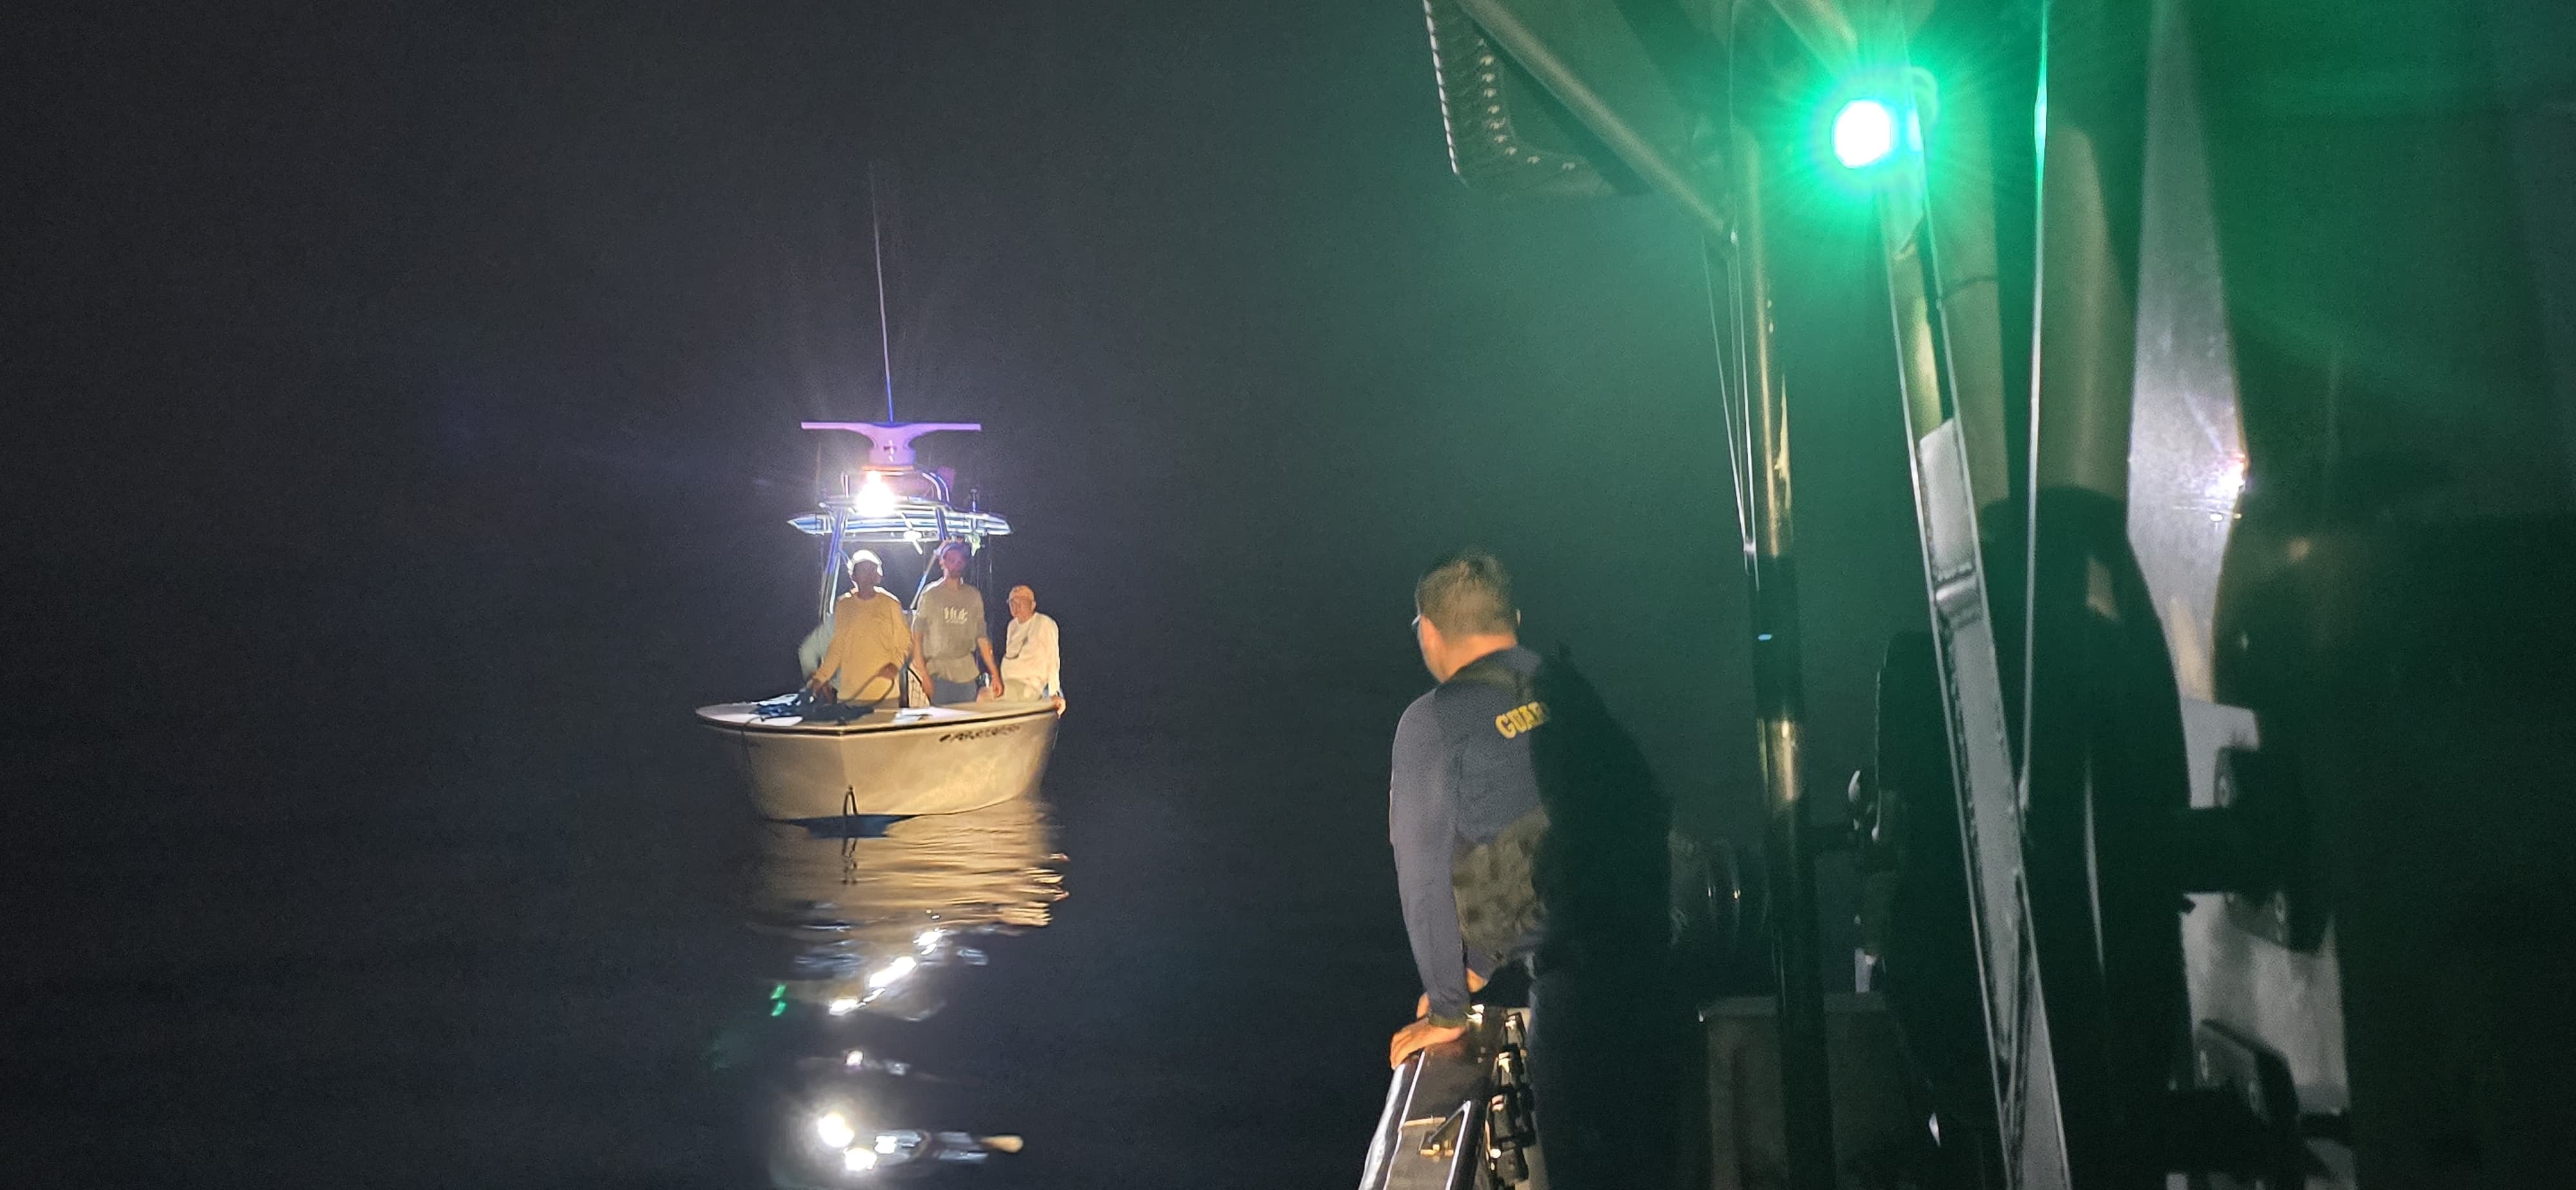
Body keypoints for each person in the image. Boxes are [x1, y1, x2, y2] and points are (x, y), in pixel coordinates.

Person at [1387, 548, 1548, 1068]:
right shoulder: (1563, 682)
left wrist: (1448, 1007)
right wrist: (1480, 963)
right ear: (1516, 623)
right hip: (1658, 919)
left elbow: (1423, 878)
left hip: (1575, 969)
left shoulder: (1431, 723)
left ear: (1428, 632)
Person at [804, 551, 912, 706]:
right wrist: (821, 678)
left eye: (872, 570)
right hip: (850, 695)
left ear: (878, 576)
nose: (869, 575)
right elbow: (837, 647)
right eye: (864, 570)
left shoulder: (891, 604)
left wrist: (895, 665)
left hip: (885, 694)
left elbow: (905, 642)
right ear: (853, 576)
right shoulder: (844, 605)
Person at [911, 539, 1001, 707]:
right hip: (937, 673)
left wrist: (995, 674)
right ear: (942, 562)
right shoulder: (930, 595)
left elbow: (982, 638)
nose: (955, 565)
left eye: (960, 561)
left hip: (966, 673)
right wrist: (924, 675)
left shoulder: (973, 596)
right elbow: (917, 637)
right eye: (951, 560)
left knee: (965, 724)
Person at [999, 584, 1064, 703]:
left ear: (1033, 604)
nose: (1016, 605)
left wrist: (1054, 692)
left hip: (1029, 686)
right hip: (1008, 683)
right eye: (1012, 602)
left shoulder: (1044, 623)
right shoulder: (1012, 625)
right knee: (984, 694)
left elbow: (1053, 658)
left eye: (1021, 601)